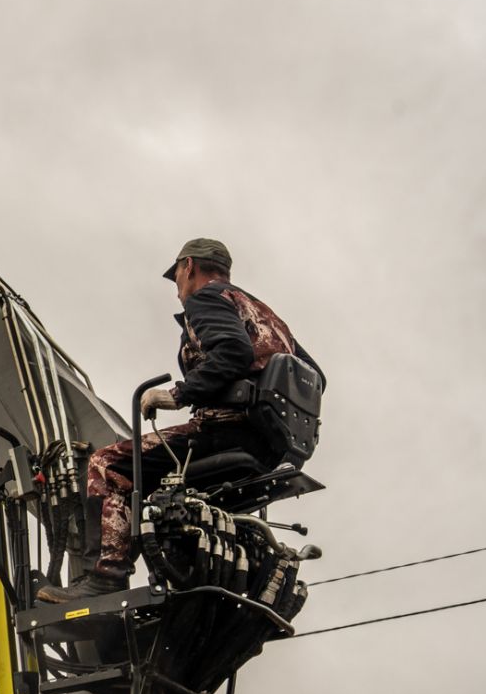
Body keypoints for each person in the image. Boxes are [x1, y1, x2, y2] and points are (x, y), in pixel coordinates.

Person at [36, 238, 325, 604]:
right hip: (269, 445)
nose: (177, 289)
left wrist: (179, 393)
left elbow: (233, 351)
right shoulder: (267, 316)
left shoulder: (206, 299)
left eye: (176, 277)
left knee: (106, 463)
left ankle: (105, 577)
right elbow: (315, 377)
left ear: (188, 266)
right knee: (155, 478)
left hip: (225, 430)